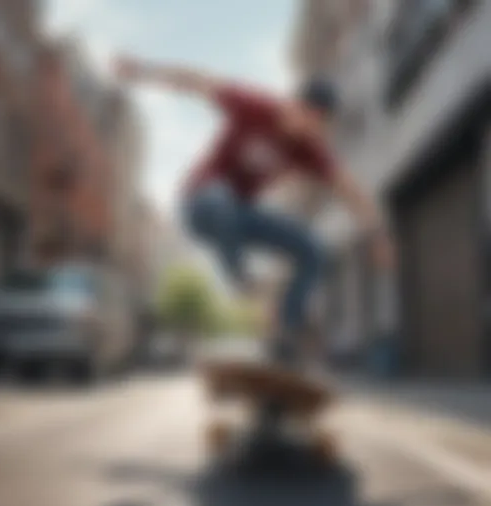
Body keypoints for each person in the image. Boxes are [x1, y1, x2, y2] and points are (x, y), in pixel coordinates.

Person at [113, 56, 394, 366]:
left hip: (239, 219)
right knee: (221, 197)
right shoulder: (256, 106)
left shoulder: (309, 149)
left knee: (313, 250)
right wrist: (143, 72)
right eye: (312, 123)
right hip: (199, 205)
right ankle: (242, 280)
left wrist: (377, 233)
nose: (313, 134)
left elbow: (347, 188)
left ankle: (287, 330)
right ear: (299, 106)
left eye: (319, 129)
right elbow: (198, 81)